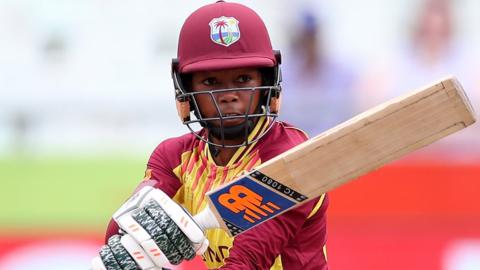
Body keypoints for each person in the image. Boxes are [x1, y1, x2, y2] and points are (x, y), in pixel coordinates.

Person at [92, 1, 328, 269]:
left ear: (267, 85)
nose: (228, 95)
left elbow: (247, 262)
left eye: (243, 79)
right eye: (211, 82)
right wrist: (134, 236)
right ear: (184, 88)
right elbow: (119, 236)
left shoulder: (290, 157)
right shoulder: (173, 159)